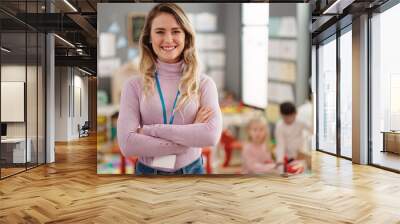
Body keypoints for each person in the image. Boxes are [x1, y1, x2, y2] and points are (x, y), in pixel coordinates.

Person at [117, 3, 222, 175]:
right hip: (147, 174)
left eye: (176, 31)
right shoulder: (133, 85)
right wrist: (192, 132)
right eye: (160, 32)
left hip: (192, 172)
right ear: (149, 38)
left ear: (186, 36)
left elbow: (211, 136)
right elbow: (127, 145)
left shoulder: (204, 84)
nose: (168, 39)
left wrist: (151, 130)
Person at [274, 102, 311, 174]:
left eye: (291, 117)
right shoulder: (280, 126)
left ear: (295, 114)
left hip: (300, 155)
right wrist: (280, 162)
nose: (288, 120)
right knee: (285, 172)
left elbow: (312, 129)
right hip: (286, 156)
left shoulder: (301, 122)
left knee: (300, 171)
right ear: (281, 115)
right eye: (285, 118)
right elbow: (280, 145)